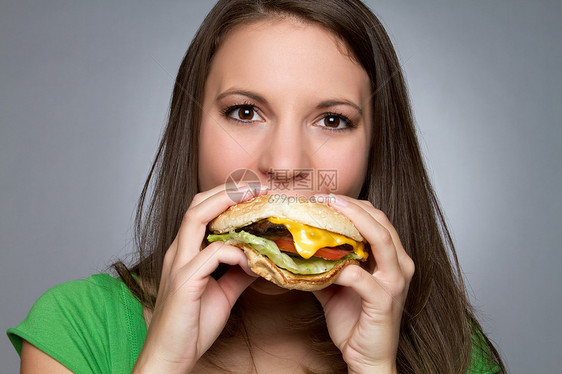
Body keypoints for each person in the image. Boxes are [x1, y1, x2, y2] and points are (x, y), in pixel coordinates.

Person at [7, 0, 506, 373]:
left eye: (332, 119)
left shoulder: (454, 350)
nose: (285, 164)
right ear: (193, 130)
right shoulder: (75, 330)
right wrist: (161, 360)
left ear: (376, 146)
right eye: (244, 113)